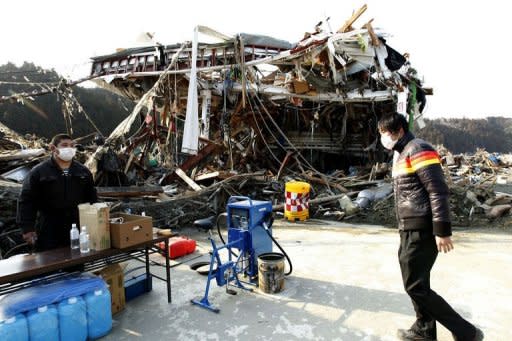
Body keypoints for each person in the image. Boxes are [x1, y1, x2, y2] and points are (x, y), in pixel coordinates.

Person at [378, 113, 484, 341]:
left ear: (398, 131)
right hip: (408, 228)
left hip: (421, 228)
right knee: (418, 282)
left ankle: (467, 332)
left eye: (385, 133)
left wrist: (442, 231)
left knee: (415, 286)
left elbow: (437, 190)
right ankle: (424, 330)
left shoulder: (418, 149)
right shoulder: (400, 154)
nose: (383, 138)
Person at [17, 134, 97, 251]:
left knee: (76, 262)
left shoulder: (83, 172)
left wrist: (95, 223)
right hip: (48, 226)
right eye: (64, 145)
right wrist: (27, 229)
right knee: (48, 263)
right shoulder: (39, 172)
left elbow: (92, 198)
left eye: (72, 146)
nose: (69, 149)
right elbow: (27, 200)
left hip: (76, 226)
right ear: (53, 148)